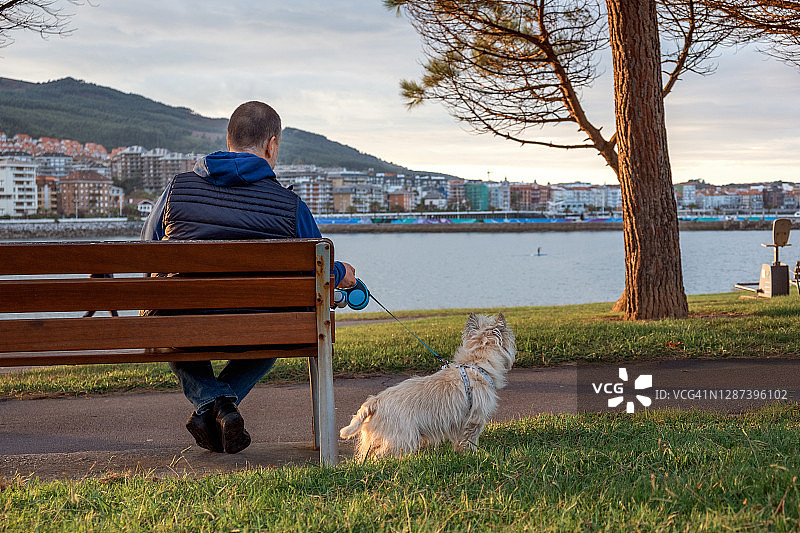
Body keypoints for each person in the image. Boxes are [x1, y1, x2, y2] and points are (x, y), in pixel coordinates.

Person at [141, 101, 356, 454]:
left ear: (228, 141)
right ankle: (221, 405)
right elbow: (316, 269)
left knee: (170, 320)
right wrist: (342, 273)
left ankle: (211, 404)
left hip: (181, 323)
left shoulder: (176, 190)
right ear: (271, 145)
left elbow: (146, 251)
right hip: (260, 328)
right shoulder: (290, 206)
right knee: (280, 331)